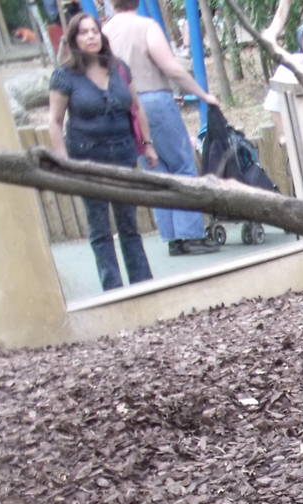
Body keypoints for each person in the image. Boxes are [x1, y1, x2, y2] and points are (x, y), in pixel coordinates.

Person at [102, 0, 222, 256]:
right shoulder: (147, 26)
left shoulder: (104, 32)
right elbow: (170, 67)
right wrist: (202, 94)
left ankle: (172, 237)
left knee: (156, 172)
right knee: (182, 165)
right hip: (153, 100)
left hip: (125, 107)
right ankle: (189, 234)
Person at [47, 13, 157, 291]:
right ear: (74, 40)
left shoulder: (119, 68)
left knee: (129, 224)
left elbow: (136, 107)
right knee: (100, 229)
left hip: (122, 155)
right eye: (83, 33)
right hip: (86, 159)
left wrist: (148, 144)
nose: (91, 36)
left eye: (94, 31)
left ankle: (142, 285)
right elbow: (55, 121)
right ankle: (113, 289)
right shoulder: (65, 76)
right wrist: (63, 161)